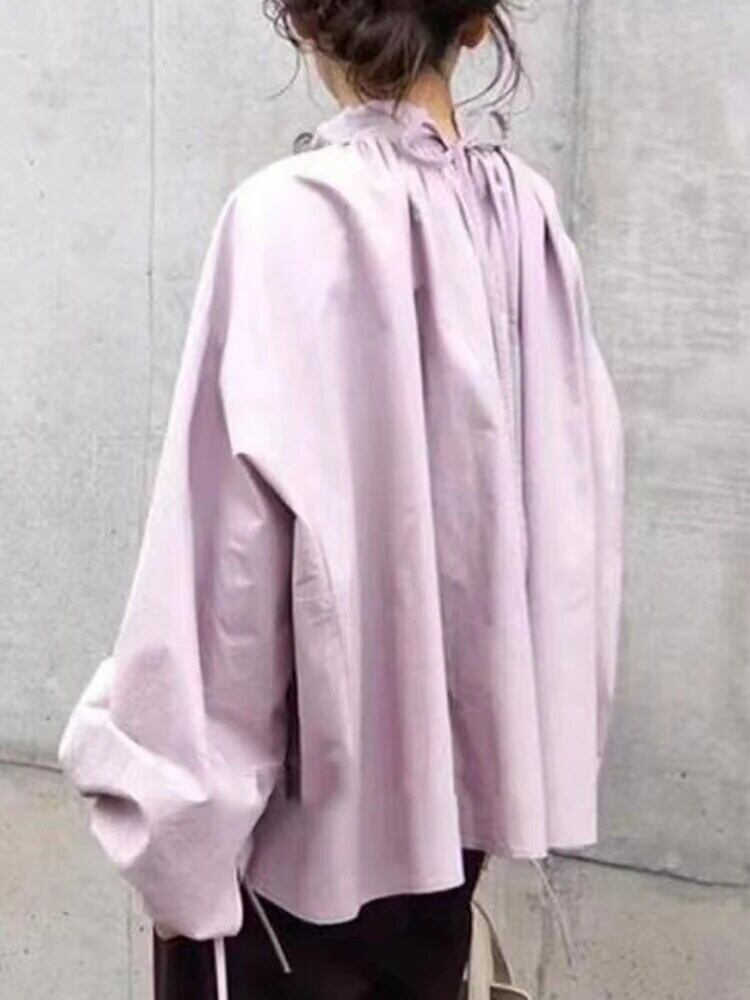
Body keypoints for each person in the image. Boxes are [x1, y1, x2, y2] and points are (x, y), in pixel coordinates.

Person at [57, 2, 625, 998]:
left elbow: (225, 575)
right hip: (449, 847)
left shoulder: (290, 219)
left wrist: (171, 834)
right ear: (477, 25)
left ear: (308, 20)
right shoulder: (525, 223)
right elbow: (575, 534)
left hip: (286, 870)